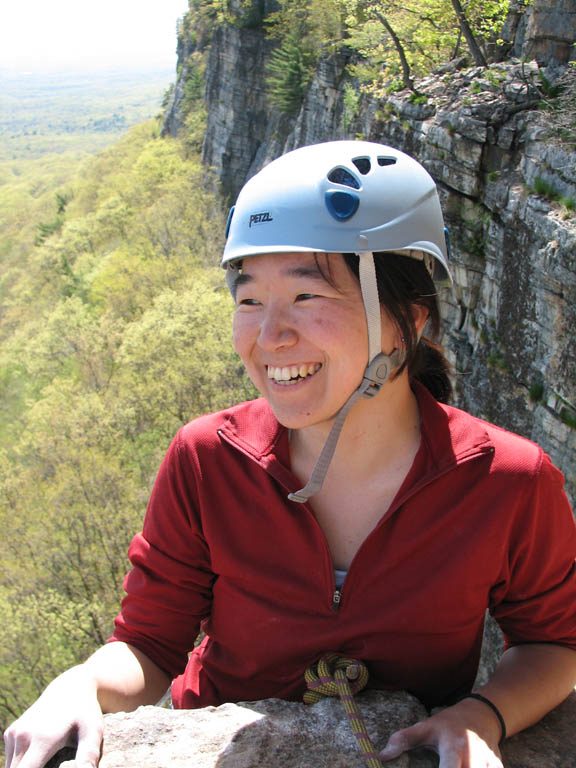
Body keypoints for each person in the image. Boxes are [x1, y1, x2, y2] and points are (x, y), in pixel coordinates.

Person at [4, 140, 576, 768]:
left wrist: (483, 715)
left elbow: (554, 643)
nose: (269, 336)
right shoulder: (208, 459)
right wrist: (80, 683)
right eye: (249, 300)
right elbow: (147, 644)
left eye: (307, 296)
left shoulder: (506, 481)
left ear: (406, 322)